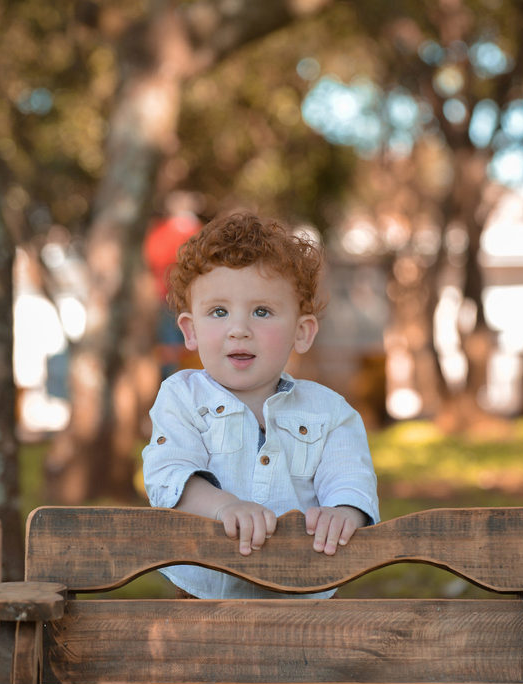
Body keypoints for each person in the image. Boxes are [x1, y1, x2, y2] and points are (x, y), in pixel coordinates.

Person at [141, 210, 380, 602]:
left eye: (262, 311)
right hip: (204, 597)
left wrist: (343, 511)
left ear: (301, 333)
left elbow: (350, 475)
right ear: (191, 330)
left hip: (302, 592)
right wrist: (224, 506)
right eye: (219, 312)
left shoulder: (328, 411)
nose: (239, 328)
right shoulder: (181, 397)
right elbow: (169, 475)